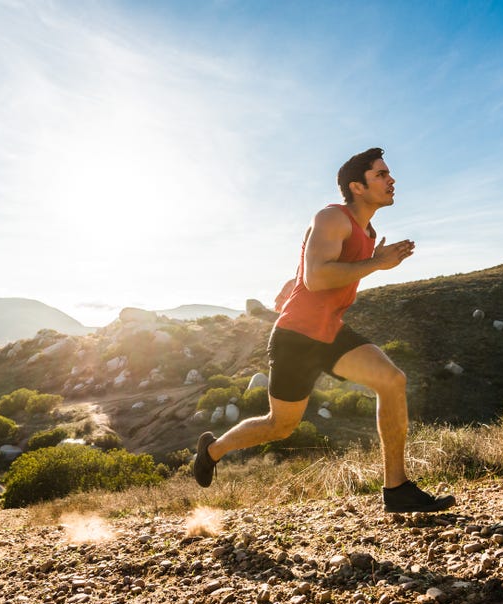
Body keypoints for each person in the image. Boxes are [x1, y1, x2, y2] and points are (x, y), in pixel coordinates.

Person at [193, 147, 455, 513]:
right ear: (357, 187)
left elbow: (310, 262)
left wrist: (297, 278)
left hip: (331, 331)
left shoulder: (367, 229)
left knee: (391, 380)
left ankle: (396, 489)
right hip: (296, 338)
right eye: (381, 174)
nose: (391, 180)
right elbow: (317, 277)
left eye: (388, 173)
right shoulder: (333, 216)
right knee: (280, 426)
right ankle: (212, 449)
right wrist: (376, 263)